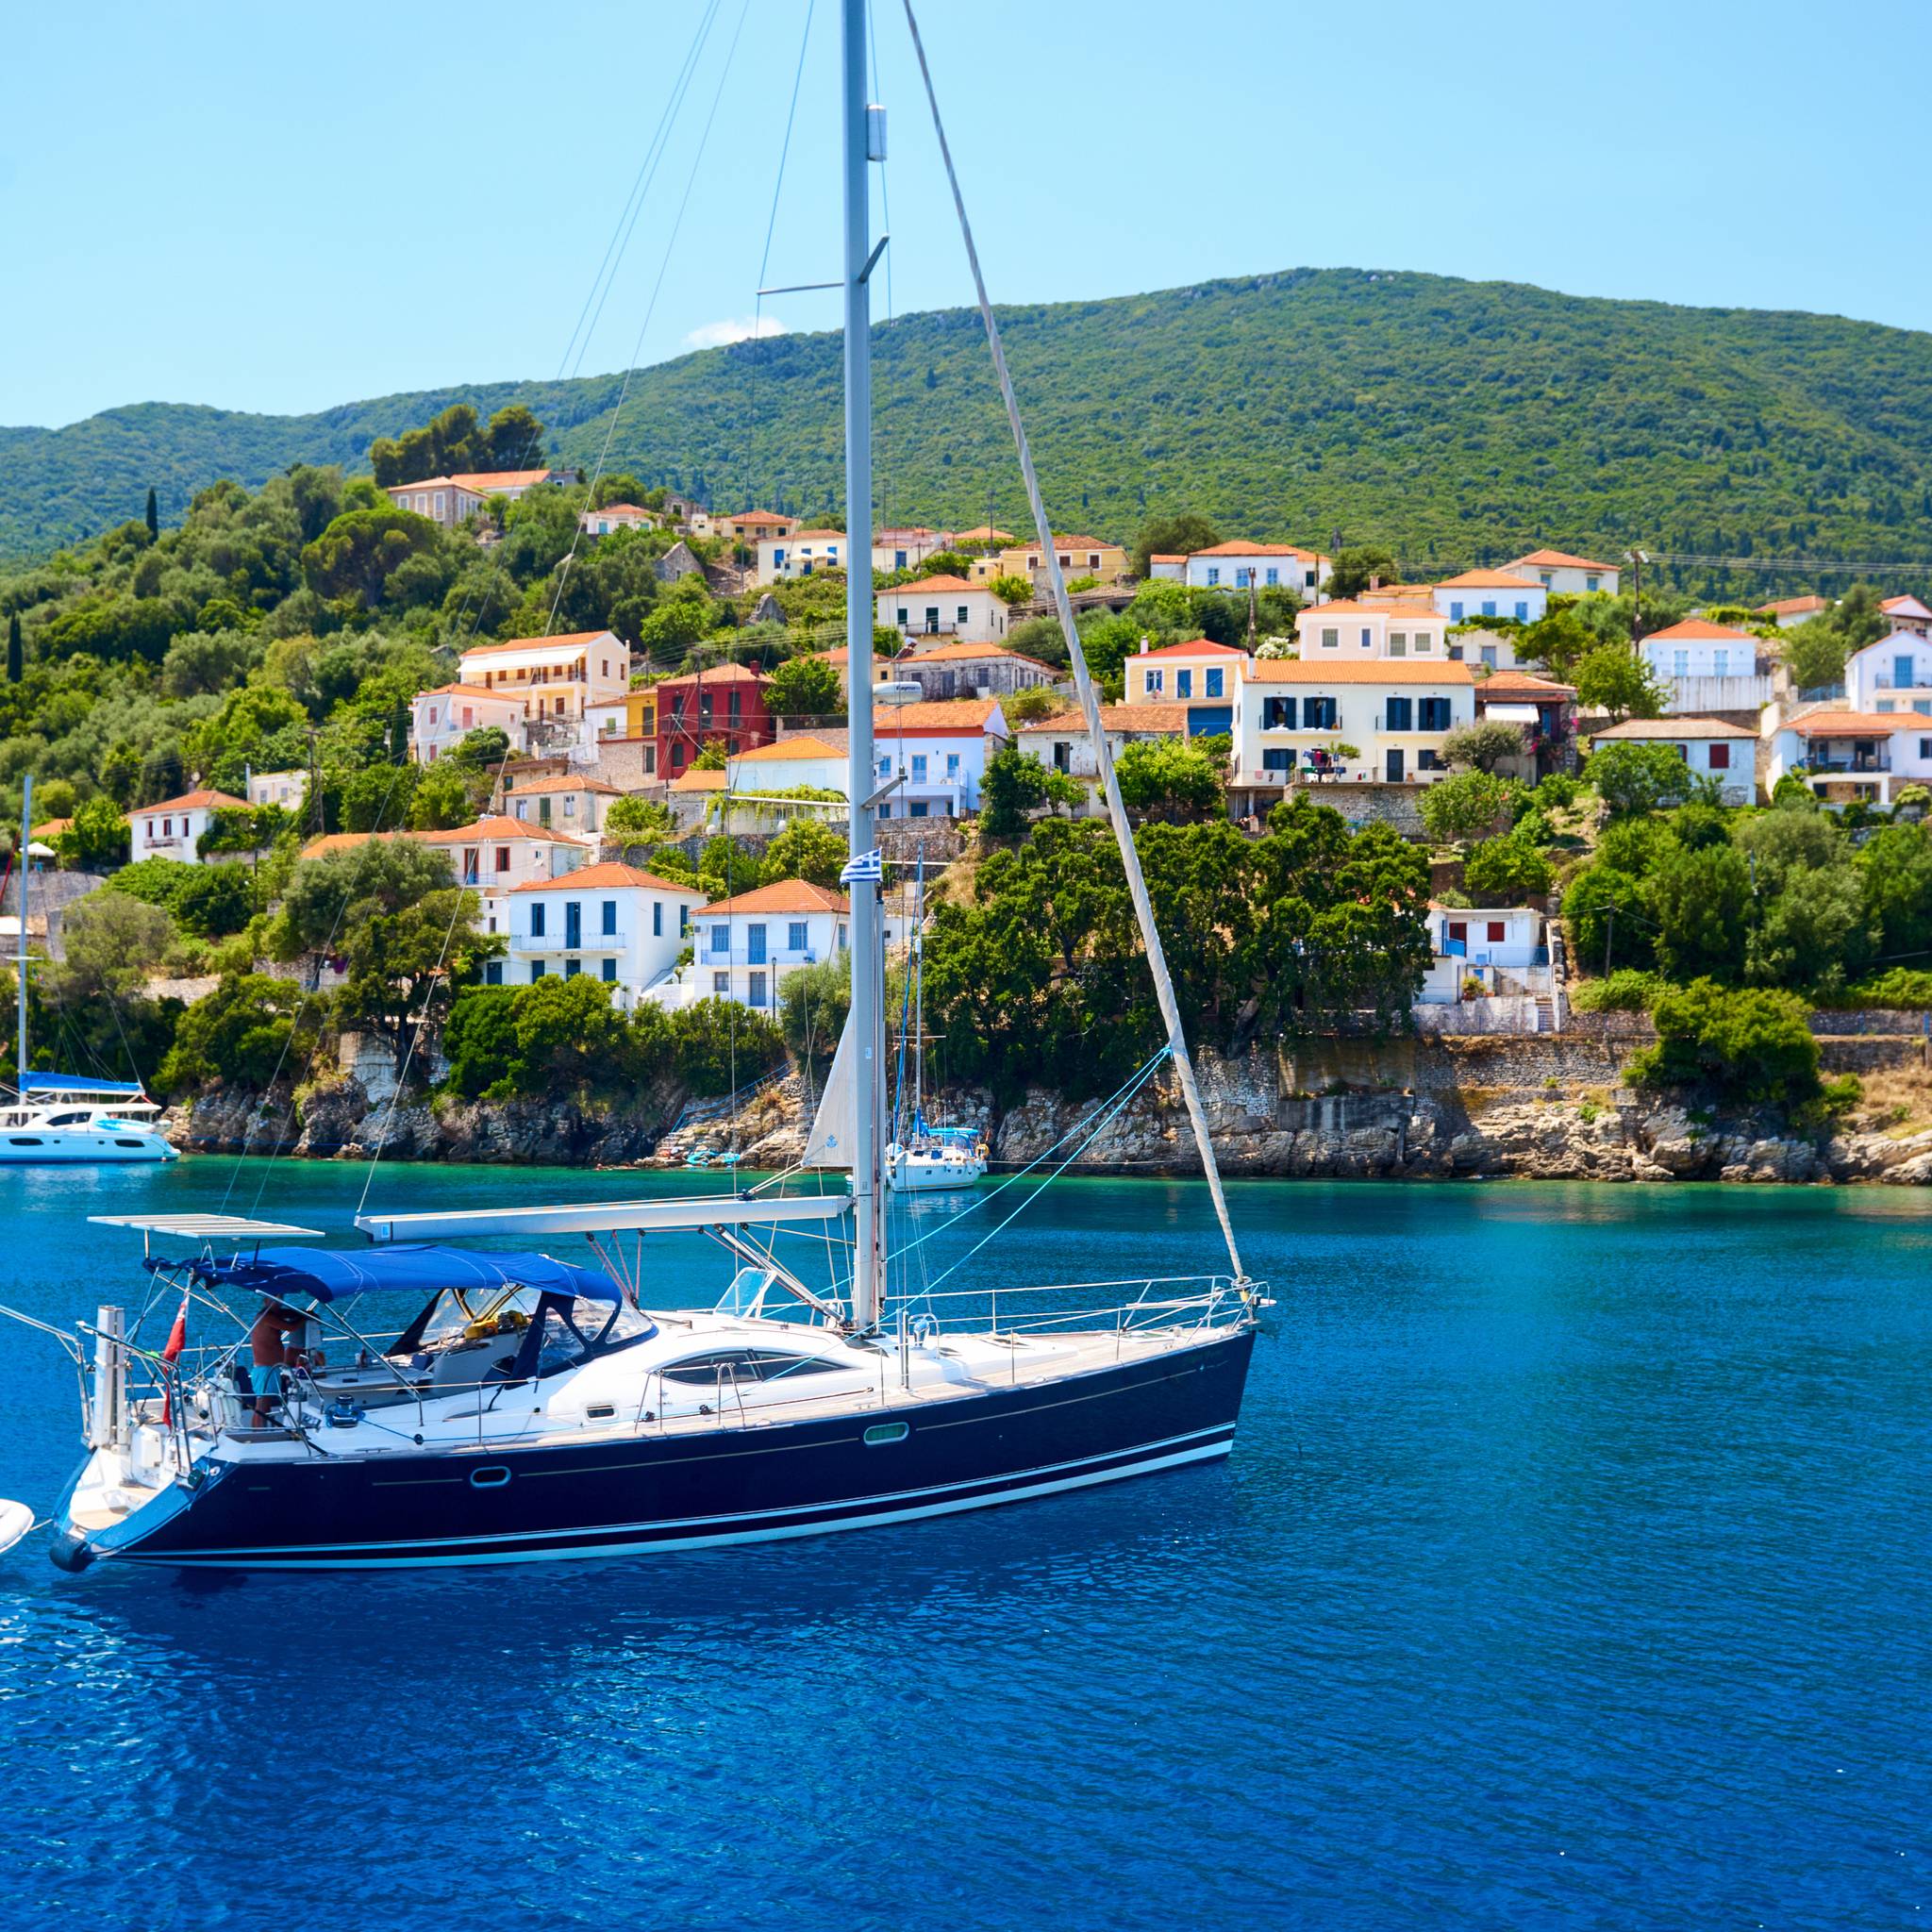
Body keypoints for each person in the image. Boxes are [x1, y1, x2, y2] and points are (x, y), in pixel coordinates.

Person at [247, 1298, 296, 1428]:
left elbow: (286, 1314)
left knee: (266, 1405)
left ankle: (262, 1432)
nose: (279, 1302)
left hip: (272, 1369)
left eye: (280, 1299)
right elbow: (291, 1327)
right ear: (265, 1300)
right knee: (261, 1406)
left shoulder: (273, 1314)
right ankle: (257, 1435)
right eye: (275, 1299)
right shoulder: (265, 1317)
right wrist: (306, 1318)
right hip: (265, 1369)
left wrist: (303, 1313)